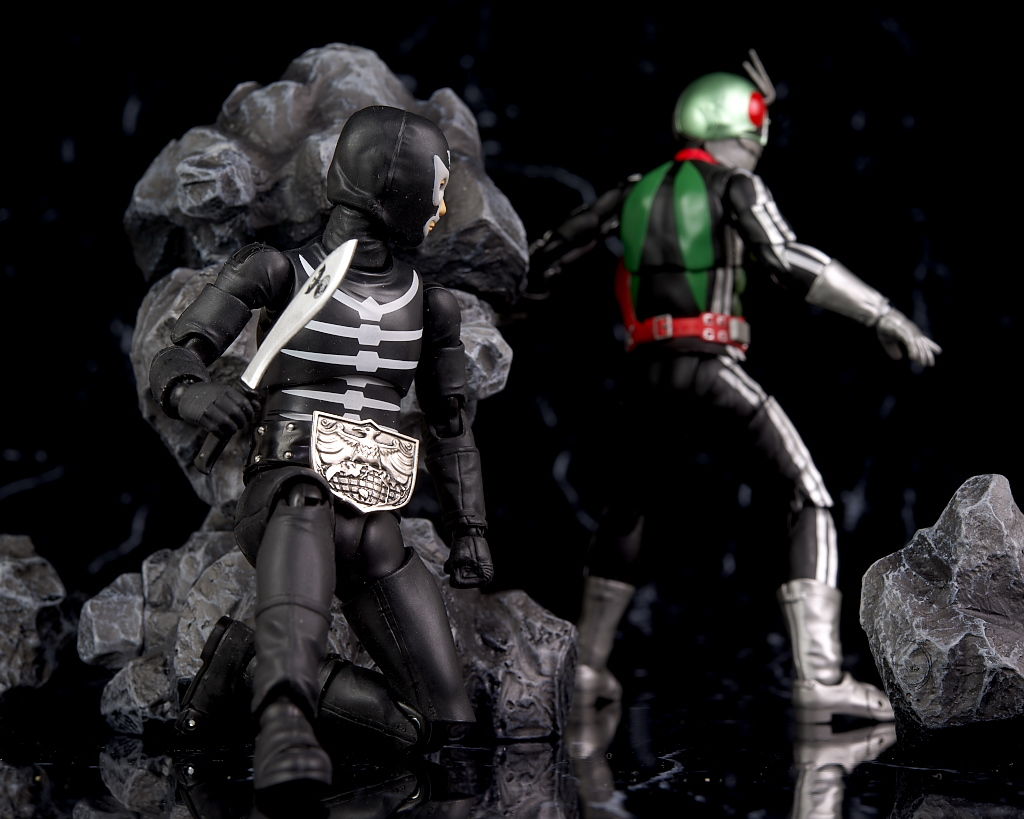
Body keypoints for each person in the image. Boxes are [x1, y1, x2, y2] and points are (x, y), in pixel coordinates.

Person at [527, 52, 938, 722]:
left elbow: (549, 252)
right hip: (709, 363)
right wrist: (882, 313)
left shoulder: (633, 190)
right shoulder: (735, 187)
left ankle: (589, 668)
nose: (757, 150)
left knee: (627, 511)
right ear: (730, 133)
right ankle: (820, 677)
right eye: (753, 136)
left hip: (647, 373)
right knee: (807, 497)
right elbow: (786, 258)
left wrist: (510, 301)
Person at [148, 105, 493, 801]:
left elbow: (452, 426)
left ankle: (246, 661)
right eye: (434, 186)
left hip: (375, 522)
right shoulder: (277, 269)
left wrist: (471, 527)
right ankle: (285, 716)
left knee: (447, 730)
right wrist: (194, 394)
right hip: (288, 491)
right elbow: (177, 354)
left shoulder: (431, 308)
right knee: (303, 500)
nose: (441, 206)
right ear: (391, 185)